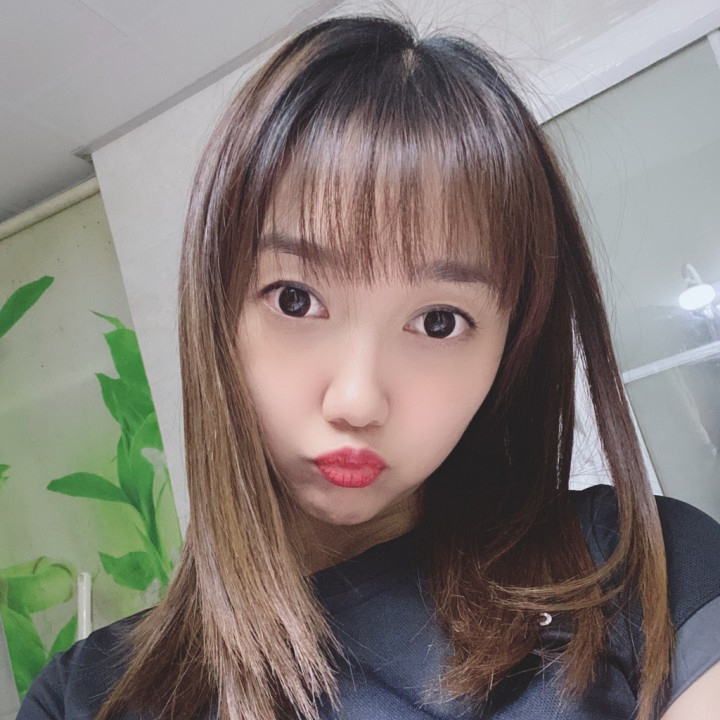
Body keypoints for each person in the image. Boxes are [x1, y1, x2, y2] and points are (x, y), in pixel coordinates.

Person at [18, 11, 720, 720]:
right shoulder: (87, 696)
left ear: (511, 344)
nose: (356, 400)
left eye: (438, 322)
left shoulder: (641, 567)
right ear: (216, 313)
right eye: (295, 299)